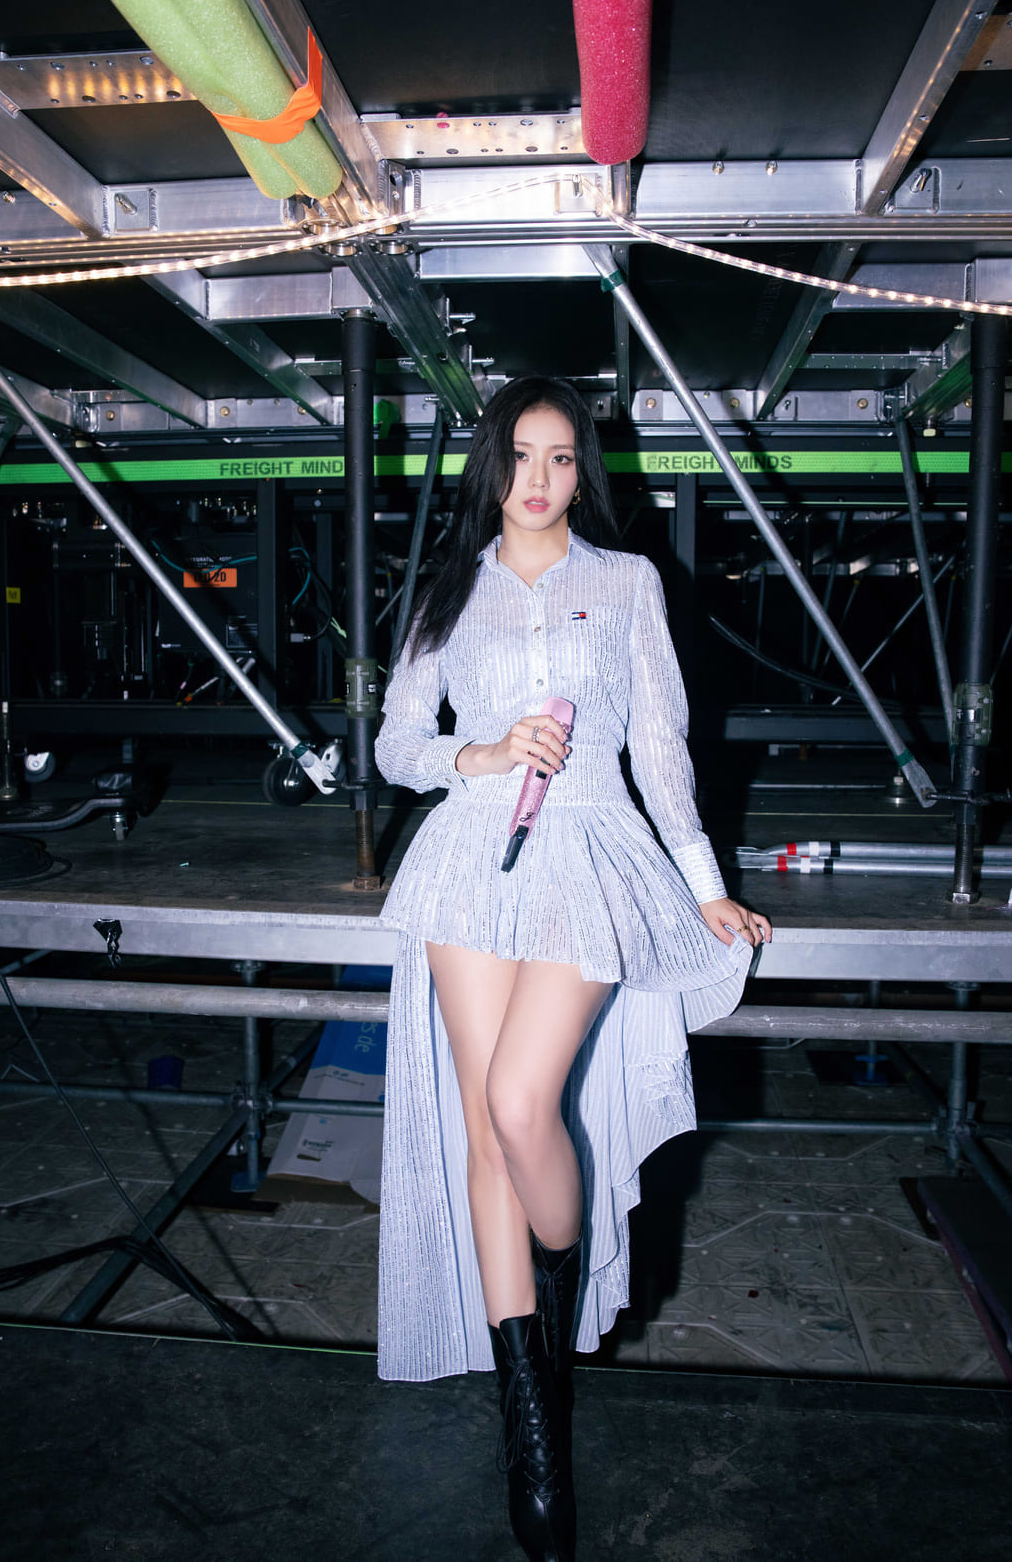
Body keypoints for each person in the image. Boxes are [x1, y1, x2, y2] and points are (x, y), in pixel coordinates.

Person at [374, 376, 771, 1562]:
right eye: (520, 454)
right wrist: (483, 750)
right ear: (491, 466)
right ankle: (532, 1422)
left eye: (558, 457)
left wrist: (704, 881)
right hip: (468, 855)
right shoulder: (449, 590)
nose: (538, 478)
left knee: (518, 1102)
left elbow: (662, 745)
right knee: (482, 1124)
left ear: (581, 469)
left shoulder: (628, 580)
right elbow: (397, 744)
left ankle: (555, 1285)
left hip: (591, 849)